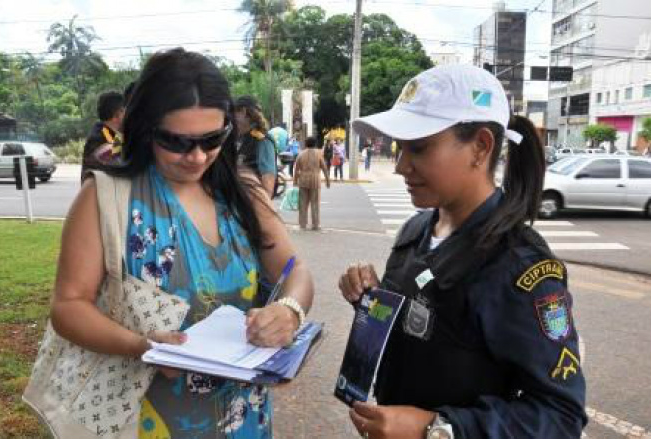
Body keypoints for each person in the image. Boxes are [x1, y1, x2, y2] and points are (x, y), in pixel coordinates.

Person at [51, 48, 314, 439]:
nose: (197, 157)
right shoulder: (105, 198)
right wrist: (140, 345)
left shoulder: (245, 195)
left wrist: (289, 310)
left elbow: (296, 272)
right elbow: (68, 306)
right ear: (144, 129)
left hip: (243, 416)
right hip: (149, 415)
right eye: (177, 142)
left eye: (212, 139)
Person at [338, 65, 587, 439]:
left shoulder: (520, 265)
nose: (402, 165)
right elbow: (429, 332)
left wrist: (437, 429)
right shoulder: (415, 230)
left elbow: (560, 415)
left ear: (481, 147)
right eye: (400, 148)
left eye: (418, 147)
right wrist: (373, 302)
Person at [234, 95, 278, 197]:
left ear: (243, 112)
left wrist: (261, 210)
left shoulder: (262, 141)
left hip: (252, 205)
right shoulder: (241, 138)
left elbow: (268, 184)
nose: (232, 117)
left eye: (234, 112)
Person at [81, 90, 125, 181]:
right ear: (117, 114)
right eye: (125, 111)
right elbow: (109, 156)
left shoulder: (109, 133)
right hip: (98, 193)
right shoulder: (98, 136)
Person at [293, 136, 330, 231]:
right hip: (315, 180)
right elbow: (324, 168)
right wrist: (327, 180)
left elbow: (296, 170)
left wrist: (295, 182)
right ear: (315, 144)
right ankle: (315, 225)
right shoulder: (318, 154)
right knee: (315, 204)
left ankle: (302, 224)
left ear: (306, 144)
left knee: (303, 204)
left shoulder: (301, 155)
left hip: (303, 180)